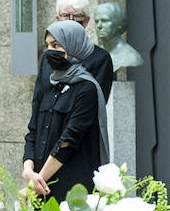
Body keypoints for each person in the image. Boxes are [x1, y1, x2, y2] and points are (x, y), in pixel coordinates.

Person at [22, 19, 107, 200]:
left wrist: (36, 183)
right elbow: (33, 132)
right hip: (41, 186)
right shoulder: (51, 84)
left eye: (56, 45)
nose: (50, 52)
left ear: (74, 46)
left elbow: (68, 140)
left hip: (71, 188)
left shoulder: (87, 88)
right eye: (47, 46)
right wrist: (28, 170)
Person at [54, 0, 118, 95]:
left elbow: (94, 102)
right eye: (65, 15)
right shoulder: (49, 57)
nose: (71, 21)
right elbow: (38, 100)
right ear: (57, 19)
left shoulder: (100, 59)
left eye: (77, 16)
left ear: (86, 21)